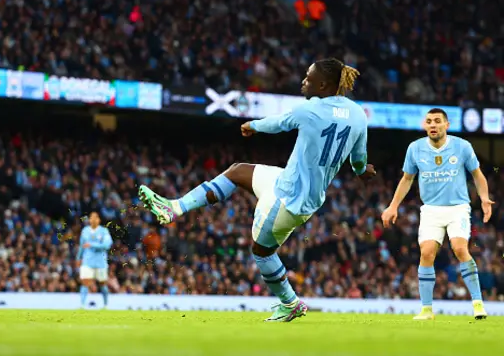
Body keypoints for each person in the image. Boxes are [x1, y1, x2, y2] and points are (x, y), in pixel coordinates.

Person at [139, 58, 376, 322]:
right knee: (238, 171)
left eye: (309, 78)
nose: (304, 81)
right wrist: (361, 172)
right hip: (295, 188)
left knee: (262, 252)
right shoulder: (357, 114)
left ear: (323, 84)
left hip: (286, 200)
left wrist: (252, 125)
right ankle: (174, 207)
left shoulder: (311, 109)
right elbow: (358, 160)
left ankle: (291, 303)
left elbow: (278, 123)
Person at [381, 108, 493, 321]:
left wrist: (485, 198)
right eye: (429, 121)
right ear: (425, 125)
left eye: (437, 121)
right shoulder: (415, 148)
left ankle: (478, 304)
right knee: (426, 253)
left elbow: (478, 175)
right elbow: (406, 179)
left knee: (460, 248)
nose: (433, 125)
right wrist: (393, 206)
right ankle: (426, 310)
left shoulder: (462, 147)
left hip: (457, 207)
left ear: (446, 125)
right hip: (431, 210)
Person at [77, 211, 113, 308]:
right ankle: (82, 305)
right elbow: (81, 245)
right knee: (85, 282)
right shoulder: (85, 231)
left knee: (102, 285)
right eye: (91, 217)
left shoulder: (104, 231)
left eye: (95, 217)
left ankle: (105, 305)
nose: (93, 219)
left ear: (99, 220)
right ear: (89, 220)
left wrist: (92, 244)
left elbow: (107, 245)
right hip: (87, 261)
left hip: (100, 262)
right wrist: (78, 258)